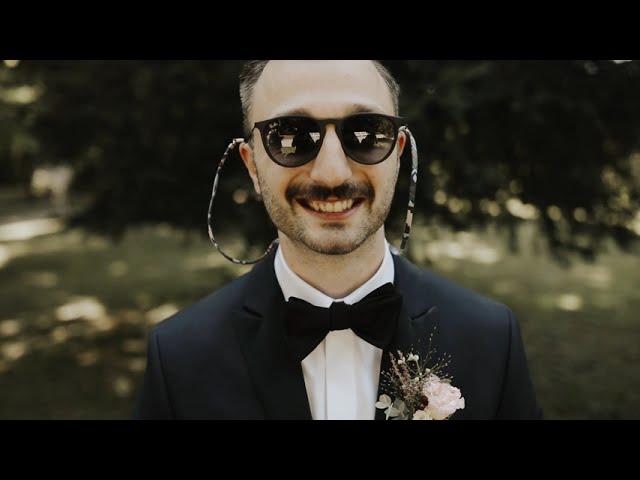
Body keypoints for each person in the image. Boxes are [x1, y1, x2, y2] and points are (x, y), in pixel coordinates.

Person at [134, 60, 542, 420]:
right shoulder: (179, 357)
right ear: (253, 165)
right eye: (290, 135)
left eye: (366, 134)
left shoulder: (491, 338)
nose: (332, 174)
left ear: (397, 154)